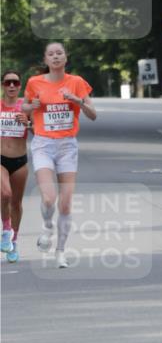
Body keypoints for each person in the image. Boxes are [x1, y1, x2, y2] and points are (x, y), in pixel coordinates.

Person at [24, 42, 96, 269]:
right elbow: (24, 109)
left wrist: (76, 100)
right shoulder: (34, 83)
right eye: (51, 54)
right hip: (43, 143)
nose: (55, 57)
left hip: (67, 145)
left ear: (66, 58)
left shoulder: (76, 82)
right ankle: (47, 226)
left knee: (65, 204)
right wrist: (31, 106)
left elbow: (93, 115)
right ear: (45, 60)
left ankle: (61, 252)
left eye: (59, 53)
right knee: (48, 197)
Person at [1, 69, 30, 263]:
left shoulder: (26, 107)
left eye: (15, 82)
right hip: (1, 158)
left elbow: (40, 130)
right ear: (3, 85)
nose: (12, 85)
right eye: (8, 82)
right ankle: (5, 230)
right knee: (5, 195)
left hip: (20, 161)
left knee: (17, 204)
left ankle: (15, 241)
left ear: (20, 86)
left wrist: (27, 123)